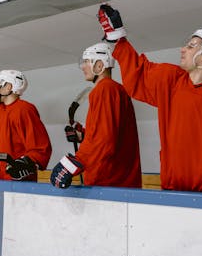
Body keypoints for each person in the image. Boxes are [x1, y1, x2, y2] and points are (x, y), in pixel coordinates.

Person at [96, 4, 202, 195]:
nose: (183, 49)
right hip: (171, 193)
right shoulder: (170, 81)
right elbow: (138, 71)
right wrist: (118, 37)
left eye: (191, 46)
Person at [50, 42, 142, 189]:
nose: (83, 67)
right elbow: (109, 134)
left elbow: (103, 139)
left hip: (108, 181)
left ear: (99, 65)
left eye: (86, 62)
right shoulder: (116, 90)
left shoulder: (105, 89)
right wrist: (82, 135)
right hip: (121, 181)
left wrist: (74, 164)